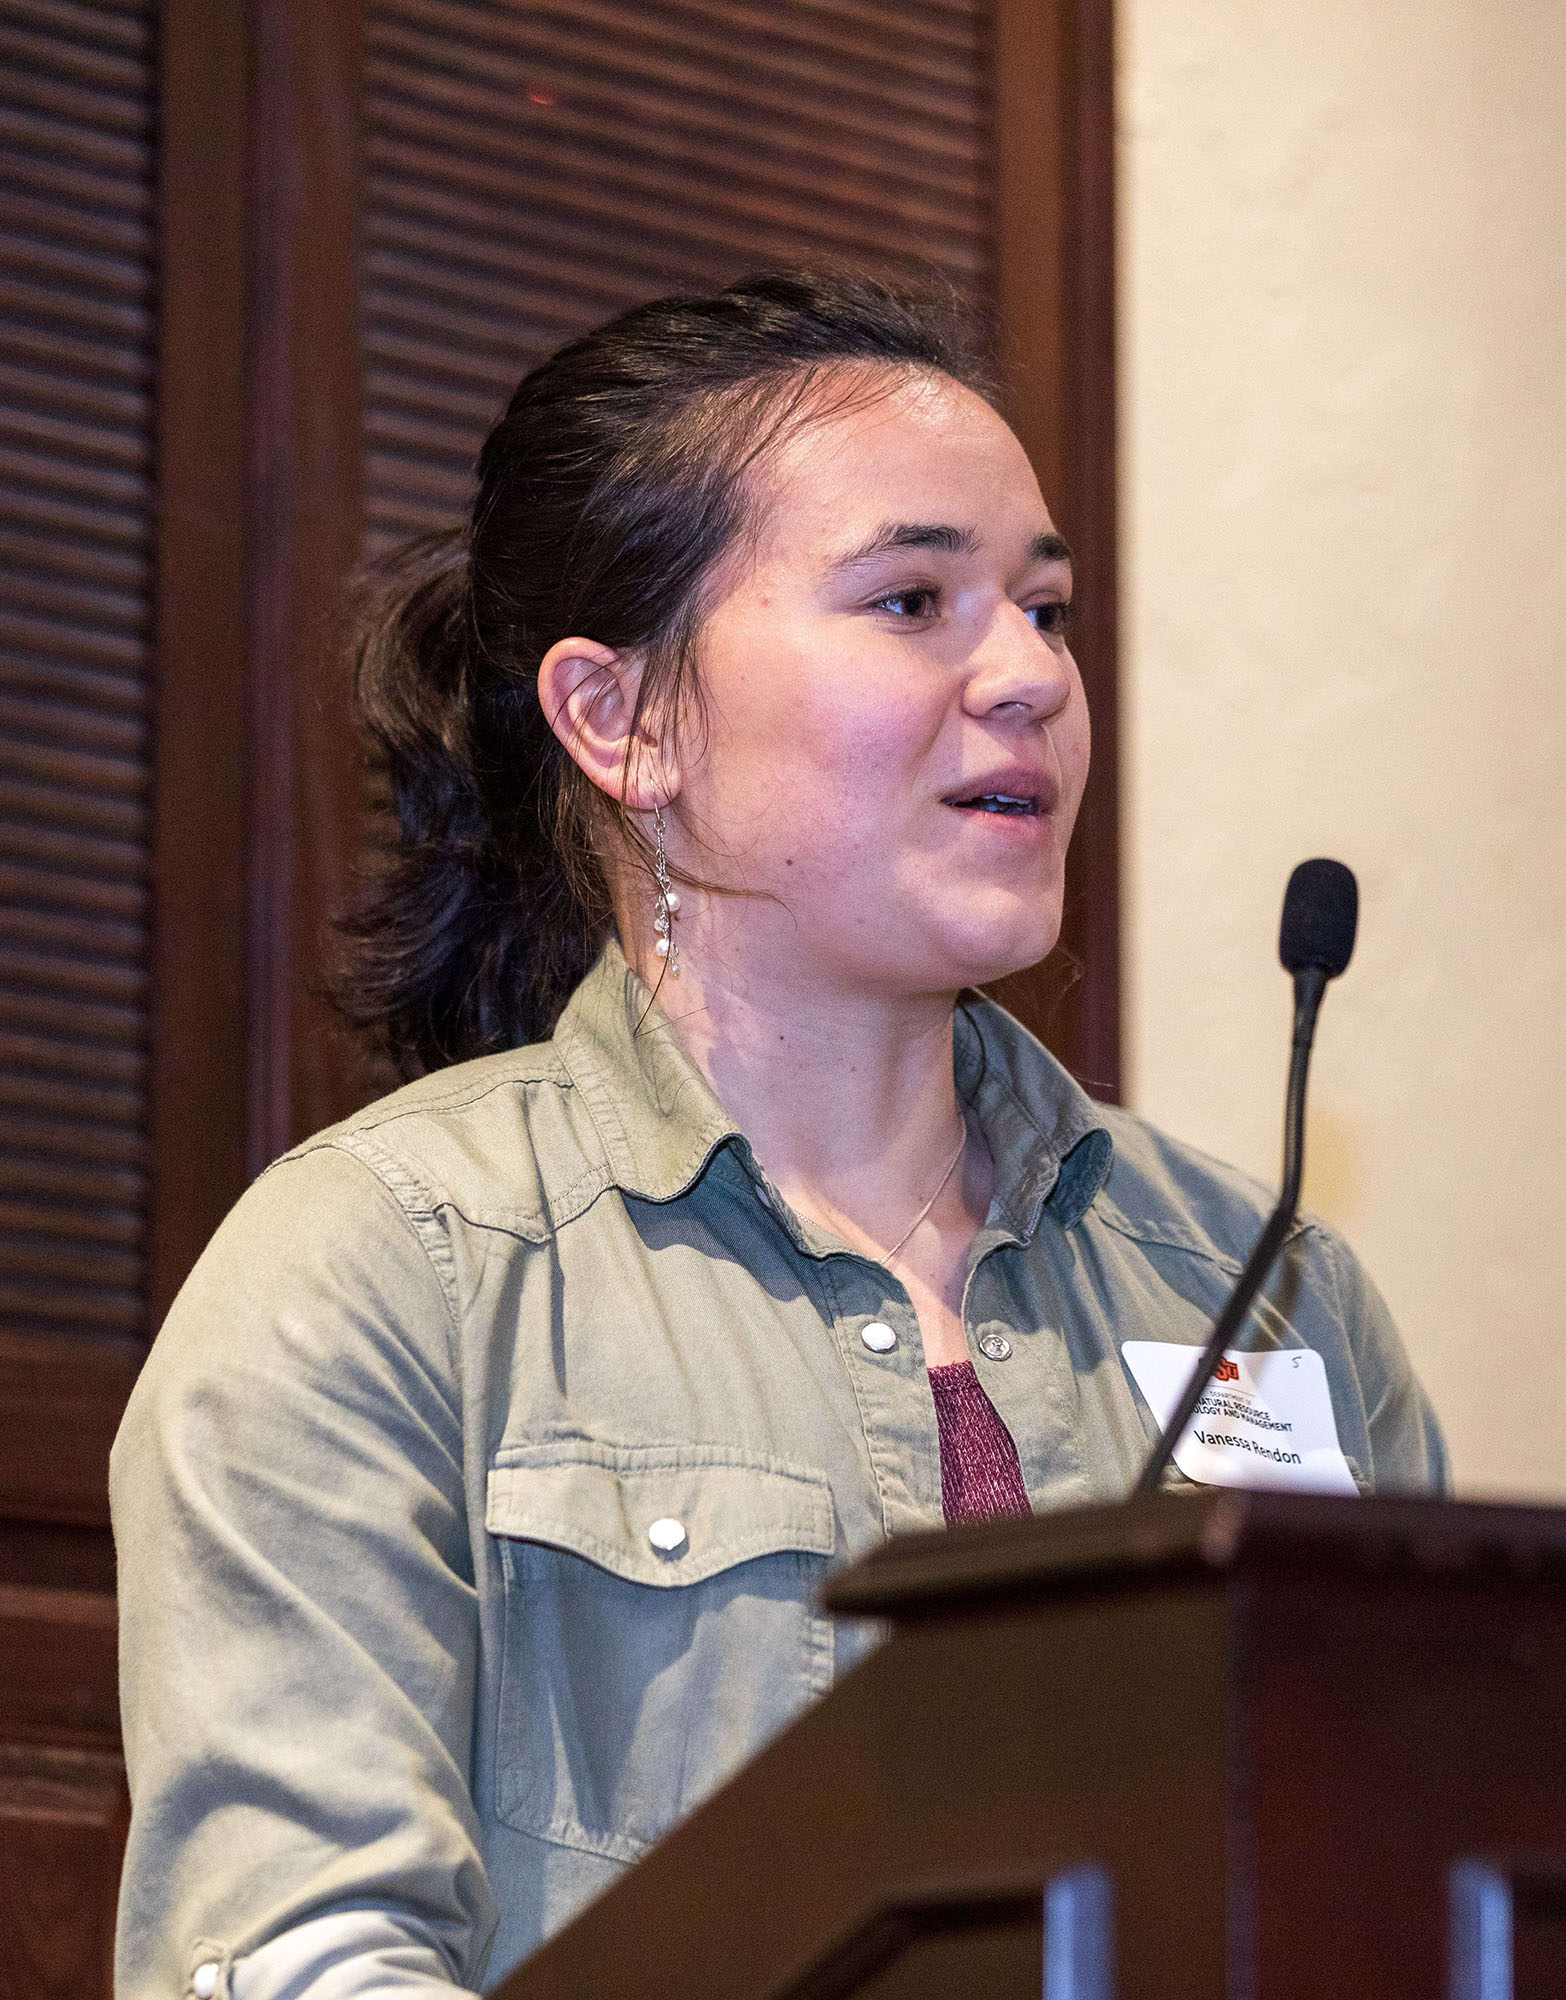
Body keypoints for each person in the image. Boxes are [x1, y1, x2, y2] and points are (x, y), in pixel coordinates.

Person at [111, 268, 1447, 2000]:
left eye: (1046, 610)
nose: (1028, 677)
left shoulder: (1271, 1294)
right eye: (911, 599)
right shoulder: (385, 1270)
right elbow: (294, 1954)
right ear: (622, 719)